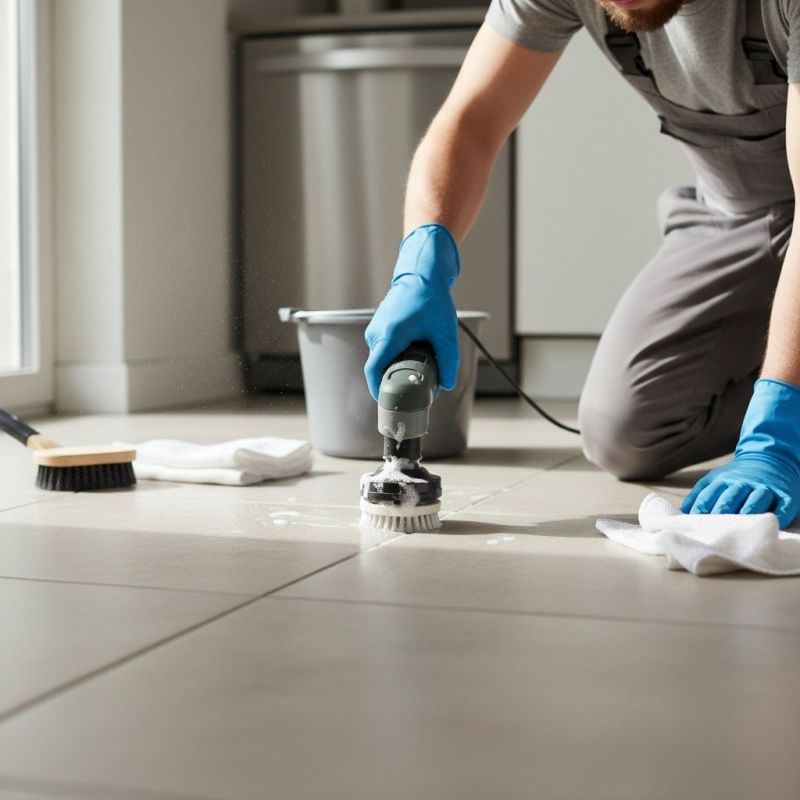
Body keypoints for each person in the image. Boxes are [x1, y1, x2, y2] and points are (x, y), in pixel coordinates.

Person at [363, 0, 800, 527]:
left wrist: (774, 437)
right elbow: (473, 120)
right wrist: (422, 261)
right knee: (625, 432)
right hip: (733, 215)